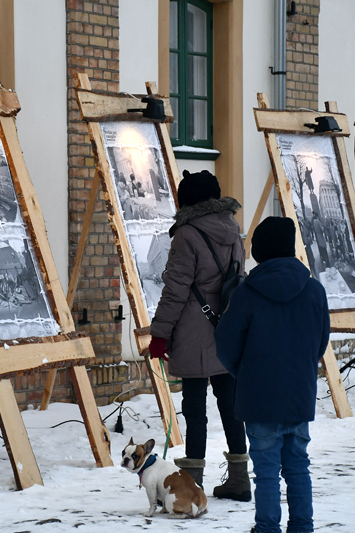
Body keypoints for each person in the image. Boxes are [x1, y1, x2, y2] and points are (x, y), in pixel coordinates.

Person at [215, 216, 330, 533]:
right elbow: (320, 342)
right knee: (297, 466)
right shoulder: (314, 291)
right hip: (298, 396)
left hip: (260, 397)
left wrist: (247, 373)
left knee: (266, 471)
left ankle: (266, 528)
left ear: (260, 251)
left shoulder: (246, 294)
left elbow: (225, 345)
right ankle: (302, 527)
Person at [148, 169, 250, 502]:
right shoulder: (233, 230)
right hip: (227, 327)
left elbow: (176, 290)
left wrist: (160, 335)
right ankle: (239, 480)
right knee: (231, 404)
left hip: (194, 330)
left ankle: (191, 486)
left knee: (194, 408)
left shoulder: (187, 235)